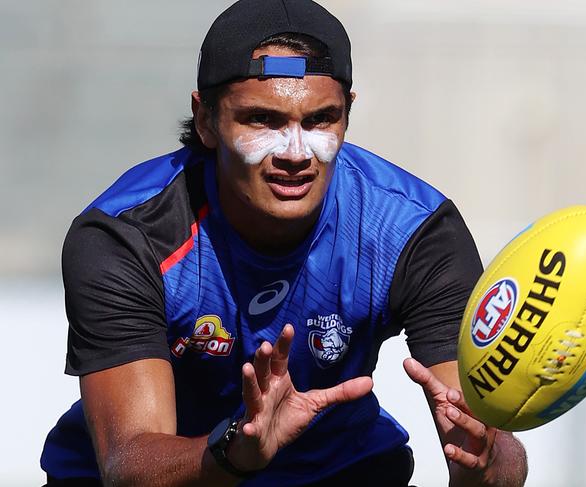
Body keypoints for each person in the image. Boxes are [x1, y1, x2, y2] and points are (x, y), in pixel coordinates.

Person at [41, 0, 528, 485]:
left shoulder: (413, 232)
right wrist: (237, 450)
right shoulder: (129, 236)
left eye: (320, 120)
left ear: (347, 115)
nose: (295, 153)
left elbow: (496, 458)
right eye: (262, 121)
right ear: (206, 120)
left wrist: (485, 463)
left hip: (337, 470)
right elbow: (130, 466)